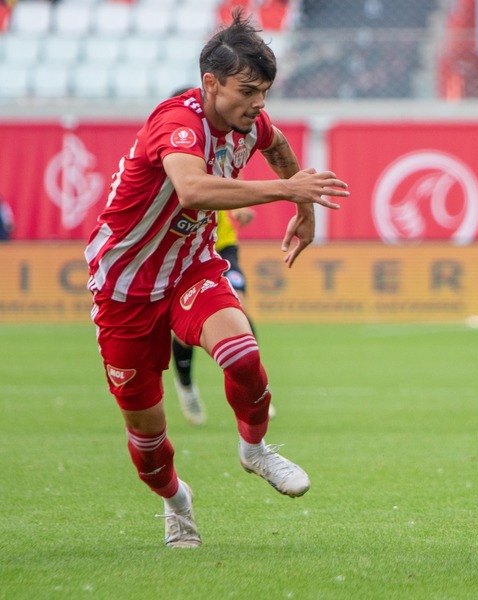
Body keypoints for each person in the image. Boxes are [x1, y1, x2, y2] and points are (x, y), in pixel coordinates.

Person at [84, 10, 349, 548]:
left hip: (191, 268)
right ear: (211, 83)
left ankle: (254, 449)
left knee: (244, 355)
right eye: (248, 90)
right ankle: (176, 501)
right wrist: (288, 192)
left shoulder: (250, 122)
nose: (258, 104)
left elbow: (278, 149)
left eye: (265, 92)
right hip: (125, 288)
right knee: (147, 434)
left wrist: (307, 211)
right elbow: (194, 192)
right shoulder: (176, 122)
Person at [170, 206, 278, 427]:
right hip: (184, 250)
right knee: (185, 330)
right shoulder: (169, 171)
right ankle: (186, 385)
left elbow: (229, 182)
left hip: (221, 244)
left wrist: (240, 206)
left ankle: (254, 388)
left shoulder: (218, 168)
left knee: (240, 310)